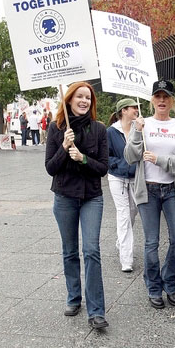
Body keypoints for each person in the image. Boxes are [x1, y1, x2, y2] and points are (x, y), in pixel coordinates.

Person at [45, 82, 109, 329]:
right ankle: (74, 297)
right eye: (80, 97)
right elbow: (50, 167)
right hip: (64, 198)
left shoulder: (99, 130)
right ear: (69, 99)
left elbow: (103, 168)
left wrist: (83, 158)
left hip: (92, 197)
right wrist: (63, 147)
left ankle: (97, 311)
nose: (84, 101)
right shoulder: (56, 128)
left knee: (91, 250)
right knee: (70, 250)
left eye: (88, 98)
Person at [124, 80, 175, 309]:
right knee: (151, 243)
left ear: (172, 101)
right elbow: (130, 157)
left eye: (166, 96)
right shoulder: (143, 124)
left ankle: (169, 283)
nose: (162, 100)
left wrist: (160, 160)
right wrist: (136, 131)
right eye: (158, 96)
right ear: (152, 99)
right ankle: (154, 288)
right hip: (148, 190)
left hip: (173, 189)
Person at [107, 98, 139, 272]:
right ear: (123, 111)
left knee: (133, 213)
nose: (136, 110)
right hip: (117, 178)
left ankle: (121, 242)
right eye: (133, 107)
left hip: (135, 179)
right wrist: (122, 164)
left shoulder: (138, 129)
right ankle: (126, 259)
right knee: (124, 214)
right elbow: (106, 156)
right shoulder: (111, 132)